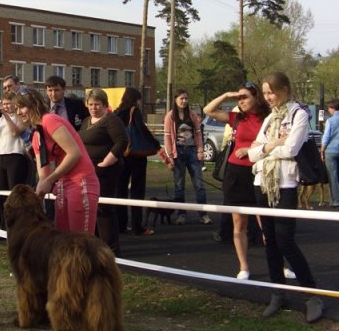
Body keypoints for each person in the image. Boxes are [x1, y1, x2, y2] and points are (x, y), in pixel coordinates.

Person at [248, 71, 324, 322]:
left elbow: (292, 148)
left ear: (285, 89)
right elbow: (251, 154)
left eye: (272, 92)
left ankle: (311, 295)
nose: (268, 97)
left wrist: (265, 150)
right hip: (262, 183)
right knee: (270, 241)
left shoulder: (299, 114)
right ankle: (278, 293)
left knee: (286, 242)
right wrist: (271, 146)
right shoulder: (269, 119)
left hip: (285, 184)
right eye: (265, 92)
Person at [203, 83, 270, 279]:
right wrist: (226, 94)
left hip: (259, 173)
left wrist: (250, 150)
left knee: (266, 223)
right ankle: (244, 267)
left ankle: (279, 263)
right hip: (235, 174)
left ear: (257, 98)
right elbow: (209, 110)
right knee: (239, 224)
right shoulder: (237, 118)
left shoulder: (268, 118)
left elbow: (273, 142)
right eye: (238, 98)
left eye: (245, 97)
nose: (240, 101)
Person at [14, 88, 99, 234]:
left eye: (21, 107)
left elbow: (74, 153)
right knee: (62, 237)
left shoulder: (50, 120)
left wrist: (50, 180)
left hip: (80, 182)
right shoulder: (36, 134)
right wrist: (37, 198)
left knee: (79, 241)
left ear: (34, 105)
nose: (18, 112)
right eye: (16, 108)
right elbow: (43, 174)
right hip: (63, 184)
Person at [79, 89, 128, 255]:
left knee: (104, 209)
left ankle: (111, 249)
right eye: (91, 104)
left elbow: (121, 142)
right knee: (92, 208)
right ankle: (96, 245)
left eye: (97, 104)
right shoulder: (86, 121)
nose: (94, 108)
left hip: (106, 170)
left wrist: (105, 163)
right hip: (88, 171)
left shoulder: (111, 120)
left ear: (104, 105)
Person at [114, 87, 159, 236]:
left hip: (121, 155)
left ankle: (120, 225)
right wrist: (156, 144)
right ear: (135, 99)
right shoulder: (135, 111)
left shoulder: (117, 112)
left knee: (120, 190)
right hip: (137, 155)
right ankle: (137, 226)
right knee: (137, 191)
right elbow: (142, 129)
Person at [163, 89, 212, 225]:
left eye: (186, 98)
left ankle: (203, 214)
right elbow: (167, 138)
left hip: (192, 152)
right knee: (179, 185)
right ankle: (181, 214)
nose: (184, 101)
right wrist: (170, 157)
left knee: (199, 184)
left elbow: (198, 134)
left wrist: (200, 151)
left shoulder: (192, 115)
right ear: (175, 100)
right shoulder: (170, 117)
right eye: (181, 99)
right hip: (178, 153)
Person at [0, 90, 29, 228]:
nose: (6, 106)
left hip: (15, 154)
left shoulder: (21, 117)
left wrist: (6, 115)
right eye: (4, 104)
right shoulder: (0, 119)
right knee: (0, 192)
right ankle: (4, 226)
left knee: (14, 192)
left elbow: (15, 132)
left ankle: (18, 225)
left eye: (9, 104)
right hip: (0, 155)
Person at [321, 98, 339, 208]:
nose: (328, 110)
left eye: (329, 108)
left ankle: (336, 201)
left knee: (332, 176)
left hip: (331, 151)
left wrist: (322, 150)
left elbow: (326, 137)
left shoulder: (330, 121)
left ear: (333, 108)